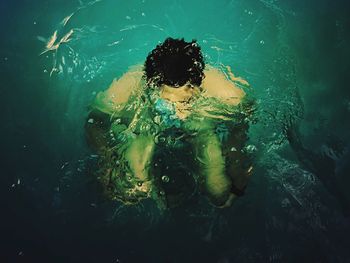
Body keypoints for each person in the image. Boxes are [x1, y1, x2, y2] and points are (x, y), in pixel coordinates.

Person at [85, 38, 254, 208]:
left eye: (184, 102)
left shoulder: (224, 89)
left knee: (219, 192)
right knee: (131, 188)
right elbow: (95, 119)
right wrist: (108, 158)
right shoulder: (129, 84)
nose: (179, 114)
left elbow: (247, 111)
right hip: (147, 125)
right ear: (153, 85)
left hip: (201, 127)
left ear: (195, 86)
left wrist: (235, 151)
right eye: (168, 103)